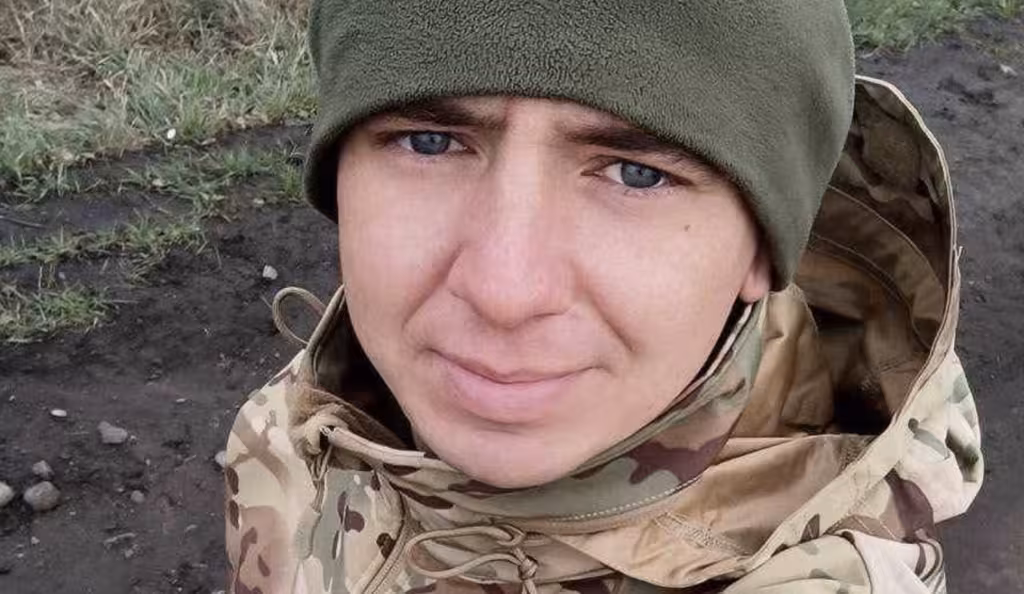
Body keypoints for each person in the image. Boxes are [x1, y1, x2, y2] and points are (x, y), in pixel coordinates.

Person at [224, 1, 983, 592]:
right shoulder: (312, 415)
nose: (503, 292)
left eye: (636, 174)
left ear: (763, 248)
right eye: (430, 142)